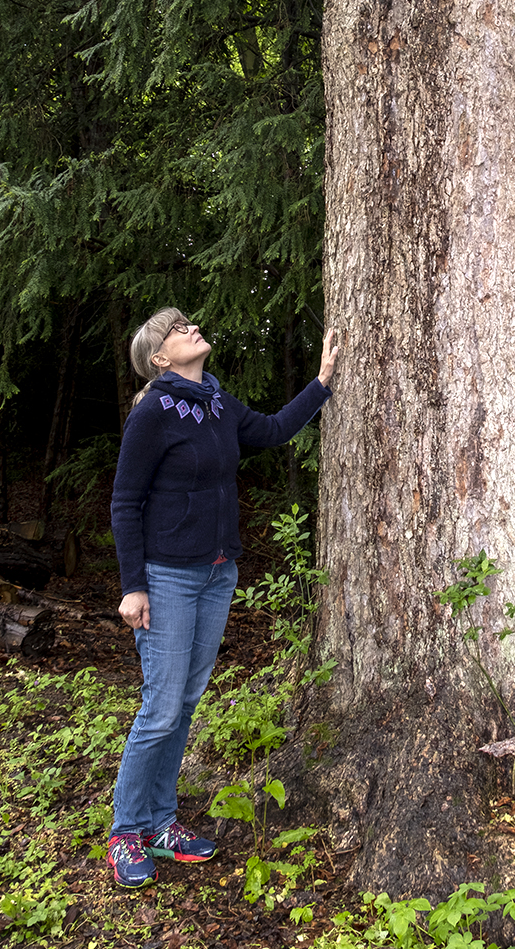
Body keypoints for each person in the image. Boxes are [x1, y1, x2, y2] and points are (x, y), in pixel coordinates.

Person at [106, 307, 339, 889]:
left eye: (189, 323)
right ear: (159, 358)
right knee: (160, 707)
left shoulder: (215, 401)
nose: (191, 329)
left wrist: (323, 382)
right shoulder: (154, 411)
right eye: (178, 329)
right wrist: (133, 585)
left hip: (216, 574)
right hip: (167, 578)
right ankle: (124, 831)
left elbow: (271, 430)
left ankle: (162, 823)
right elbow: (125, 502)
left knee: (184, 702)